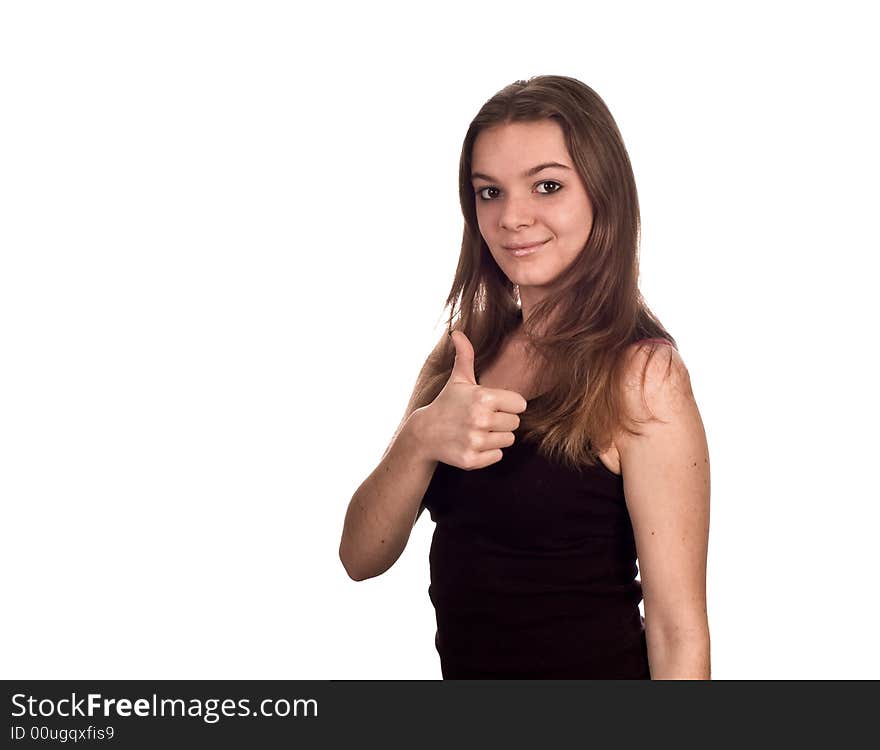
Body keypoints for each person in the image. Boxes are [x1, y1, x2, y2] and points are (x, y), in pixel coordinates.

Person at [339, 75, 711, 679]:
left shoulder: (644, 375)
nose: (513, 217)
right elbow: (360, 557)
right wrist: (420, 438)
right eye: (490, 192)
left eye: (547, 186)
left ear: (603, 193)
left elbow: (678, 630)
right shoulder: (462, 354)